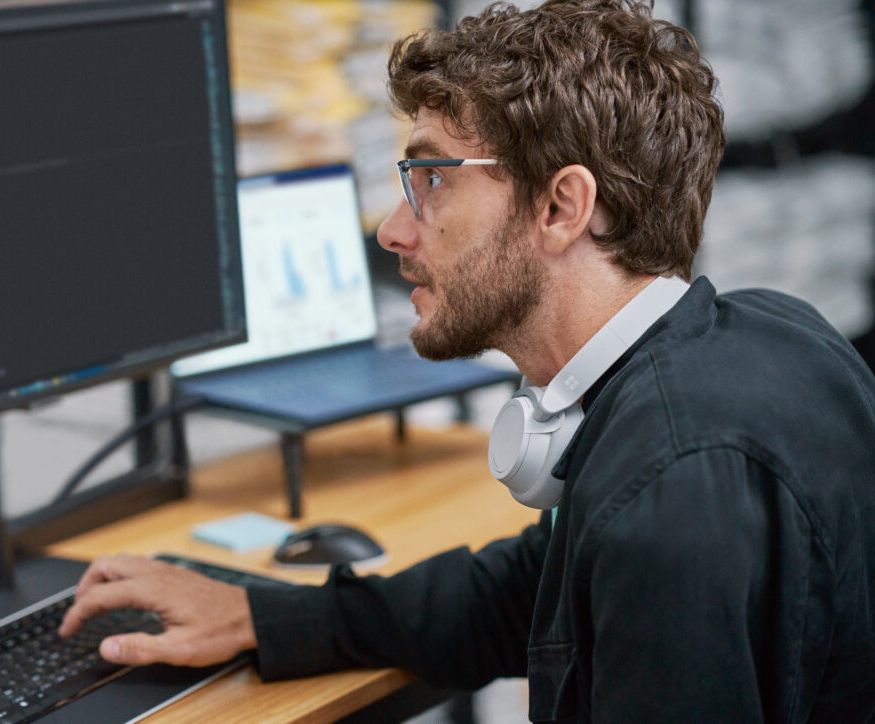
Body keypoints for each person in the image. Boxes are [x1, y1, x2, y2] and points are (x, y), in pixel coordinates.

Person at [59, 1, 875, 720]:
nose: (393, 229)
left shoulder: (664, 490)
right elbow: (528, 590)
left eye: (432, 179)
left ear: (562, 207)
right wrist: (260, 617)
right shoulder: (776, 335)